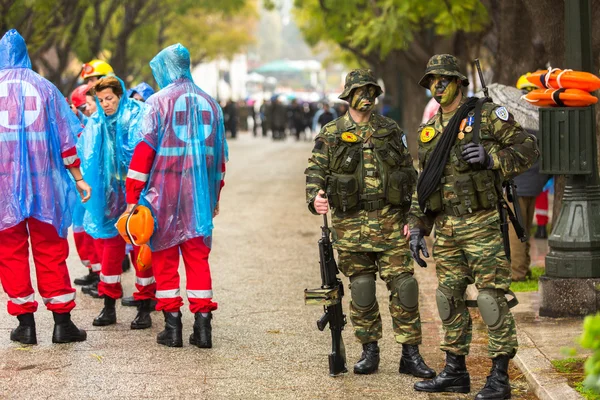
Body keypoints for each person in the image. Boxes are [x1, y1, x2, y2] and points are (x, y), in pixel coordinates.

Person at [409, 54, 539, 399]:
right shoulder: (431, 130)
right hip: (447, 228)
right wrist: (419, 226)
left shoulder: (485, 115)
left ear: (458, 83)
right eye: (431, 82)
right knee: (447, 297)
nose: (437, 87)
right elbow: (425, 184)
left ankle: (499, 378)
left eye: (443, 80)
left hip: (481, 223)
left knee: (490, 299)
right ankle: (455, 371)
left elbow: (528, 148)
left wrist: (492, 158)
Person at [305, 69, 434, 378]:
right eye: (360, 91)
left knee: (405, 288)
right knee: (362, 290)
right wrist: (315, 198)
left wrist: (412, 218)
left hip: (391, 224)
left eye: (371, 90)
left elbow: (410, 174)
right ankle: (369, 350)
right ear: (349, 96)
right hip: (351, 227)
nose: (367, 96)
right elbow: (315, 172)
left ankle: (410, 354)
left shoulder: (390, 130)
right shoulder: (332, 133)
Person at [125, 43, 227, 348]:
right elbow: (220, 158)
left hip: (163, 195)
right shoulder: (211, 104)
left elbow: (143, 154)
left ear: (166, 67)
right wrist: (215, 196)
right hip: (198, 197)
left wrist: (132, 199)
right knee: (198, 259)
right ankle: (203, 328)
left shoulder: (156, 103)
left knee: (165, 258)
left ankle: (172, 329)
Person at [0, 29, 90, 344]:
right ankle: (61, 323)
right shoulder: (46, 89)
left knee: (9, 252)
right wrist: (78, 179)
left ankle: (25, 326)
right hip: (43, 187)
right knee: (50, 250)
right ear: (26, 54)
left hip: (2, 191)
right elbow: (67, 140)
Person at [78, 76, 155, 329]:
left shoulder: (137, 115)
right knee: (110, 249)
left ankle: (145, 305)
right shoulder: (97, 122)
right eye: (100, 100)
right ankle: (109, 303)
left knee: (139, 247)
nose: (105, 104)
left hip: (138, 191)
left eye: (109, 99)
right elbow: (89, 156)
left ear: (120, 95)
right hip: (111, 193)